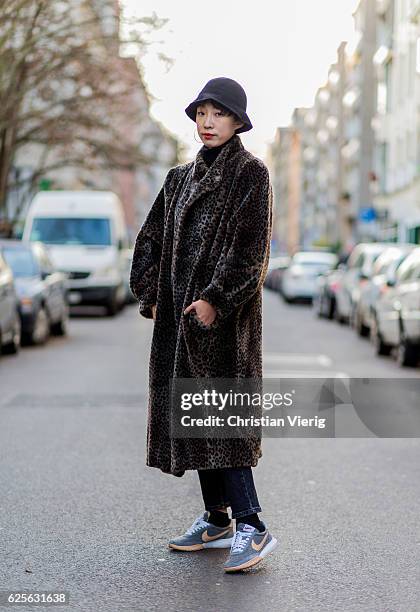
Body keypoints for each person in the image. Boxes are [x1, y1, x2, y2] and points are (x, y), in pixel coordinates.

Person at [129, 77, 277, 572]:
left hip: (225, 328)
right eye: (201, 114)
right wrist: (152, 294)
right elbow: (148, 240)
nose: (207, 122)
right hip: (179, 324)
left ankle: (253, 526)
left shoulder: (250, 175)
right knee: (194, 420)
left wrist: (216, 300)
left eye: (217, 114)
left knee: (221, 418)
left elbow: (250, 254)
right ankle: (218, 519)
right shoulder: (178, 179)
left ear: (237, 122)